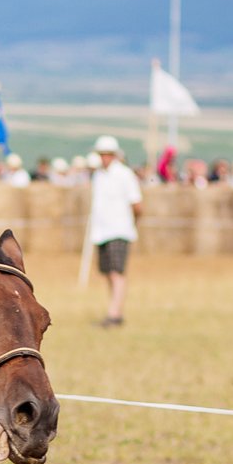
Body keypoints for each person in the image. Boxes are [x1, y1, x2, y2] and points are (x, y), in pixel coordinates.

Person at [88, 135, 140, 327]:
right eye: (102, 154)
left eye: (108, 154)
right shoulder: (98, 176)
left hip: (119, 229)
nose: (105, 157)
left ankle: (115, 314)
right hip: (101, 231)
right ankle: (114, 309)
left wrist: (132, 223)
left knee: (117, 272)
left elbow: (137, 204)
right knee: (108, 272)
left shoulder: (125, 174)